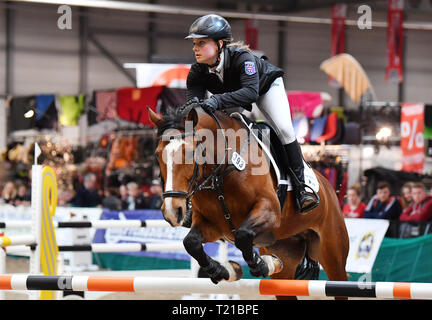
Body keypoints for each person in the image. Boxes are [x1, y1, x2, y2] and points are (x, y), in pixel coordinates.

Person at [184, 14, 319, 214]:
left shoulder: (242, 59)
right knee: (212, 130)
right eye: (194, 43)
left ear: (220, 44)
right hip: (231, 96)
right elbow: (194, 107)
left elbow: (250, 93)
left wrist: (216, 100)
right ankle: (195, 196)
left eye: (201, 43)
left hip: (265, 87)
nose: (195, 48)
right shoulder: (196, 72)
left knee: (284, 129)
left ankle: (302, 186)